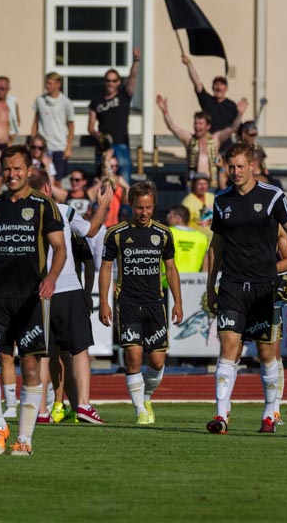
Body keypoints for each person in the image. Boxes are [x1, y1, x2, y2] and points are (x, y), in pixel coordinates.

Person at [0, 144, 66, 456]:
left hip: (30, 300)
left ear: (29, 171)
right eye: (7, 169)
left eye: (18, 169)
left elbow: (60, 248)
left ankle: (24, 440)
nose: (12, 174)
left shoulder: (44, 205)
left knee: (29, 367)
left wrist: (51, 278)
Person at [206, 142, 287, 434]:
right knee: (228, 348)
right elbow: (217, 246)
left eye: (240, 166)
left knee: (266, 354)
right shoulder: (221, 200)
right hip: (232, 285)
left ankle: (269, 414)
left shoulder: (273, 196)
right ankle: (221, 416)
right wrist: (211, 285)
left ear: (253, 166)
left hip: (265, 287)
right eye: (231, 166)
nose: (235, 172)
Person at [29, 168, 113, 424]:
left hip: (39, 292)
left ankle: (41, 410)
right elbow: (91, 230)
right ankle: (84, 405)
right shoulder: (62, 210)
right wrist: (103, 205)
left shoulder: (24, 215)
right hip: (66, 288)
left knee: (43, 353)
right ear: (47, 188)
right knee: (79, 350)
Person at [100, 181, 183, 425]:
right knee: (134, 357)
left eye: (148, 208)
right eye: (139, 208)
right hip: (127, 303)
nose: (144, 213)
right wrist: (104, 302)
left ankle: (146, 396)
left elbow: (171, 268)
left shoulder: (163, 234)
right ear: (131, 206)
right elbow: (106, 269)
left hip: (155, 304)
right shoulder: (116, 234)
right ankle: (139, 411)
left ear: (154, 206)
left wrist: (178, 301)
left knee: (157, 362)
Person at [157, 94, 246, 182]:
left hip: (211, 185)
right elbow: (172, 127)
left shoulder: (215, 139)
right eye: (195, 123)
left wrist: (240, 114)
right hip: (193, 185)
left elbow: (232, 128)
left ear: (208, 126)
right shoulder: (189, 139)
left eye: (200, 124)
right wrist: (165, 111)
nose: (197, 126)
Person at [89, 48, 141, 181]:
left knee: (124, 175)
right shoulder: (96, 102)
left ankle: (124, 202)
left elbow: (132, 77)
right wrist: (97, 134)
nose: (110, 83)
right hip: (104, 145)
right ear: (104, 82)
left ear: (118, 82)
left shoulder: (124, 95)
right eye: (108, 80)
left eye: (113, 80)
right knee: (102, 176)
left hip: (121, 143)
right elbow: (90, 127)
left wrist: (136, 61)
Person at [181, 54, 239, 152]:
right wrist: (189, 64)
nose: (218, 87)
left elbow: (237, 127)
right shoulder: (207, 101)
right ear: (212, 88)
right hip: (208, 148)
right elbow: (196, 82)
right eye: (216, 84)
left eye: (221, 84)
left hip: (226, 150)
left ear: (226, 88)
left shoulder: (231, 106)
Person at [32, 72, 75, 182]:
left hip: (59, 146)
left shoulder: (66, 102)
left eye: (50, 83)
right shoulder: (40, 100)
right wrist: (33, 142)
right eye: (46, 83)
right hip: (43, 147)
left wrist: (69, 147)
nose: (47, 86)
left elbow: (71, 126)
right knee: (40, 178)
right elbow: (35, 122)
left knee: (57, 180)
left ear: (58, 84)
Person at [166, 205, 210, 273]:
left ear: (179, 219)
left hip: (167, 281)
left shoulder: (166, 233)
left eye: (170, 216)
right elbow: (205, 266)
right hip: (194, 281)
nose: (168, 219)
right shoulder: (202, 237)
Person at [181, 173, 214, 237]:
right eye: (199, 184)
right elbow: (183, 224)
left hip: (213, 241)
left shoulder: (212, 197)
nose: (203, 187)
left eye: (205, 184)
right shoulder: (187, 203)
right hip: (197, 241)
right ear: (193, 185)